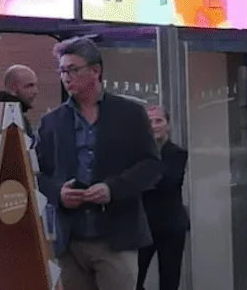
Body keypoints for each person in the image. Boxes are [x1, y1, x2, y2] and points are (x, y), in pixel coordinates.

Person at [37, 36, 162, 290]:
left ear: (95, 71)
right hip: (69, 241)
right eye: (62, 71)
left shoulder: (129, 114)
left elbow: (151, 166)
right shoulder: (52, 122)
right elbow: (37, 174)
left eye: (73, 70)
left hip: (116, 237)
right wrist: (58, 193)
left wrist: (112, 189)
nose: (66, 78)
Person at [136, 105, 188, 290]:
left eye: (159, 121)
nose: (154, 125)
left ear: (168, 125)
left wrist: (142, 177)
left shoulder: (178, 154)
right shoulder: (136, 154)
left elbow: (168, 181)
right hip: (143, 227)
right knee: (134, 280)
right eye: (149, 122)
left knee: (169, 281)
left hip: (171, 227)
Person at [0, 65, 40, 137]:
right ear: (13, 88)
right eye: (30, 86)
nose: (35, 91)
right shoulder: (11, 120)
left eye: (35, 85)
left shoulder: (15, 115)